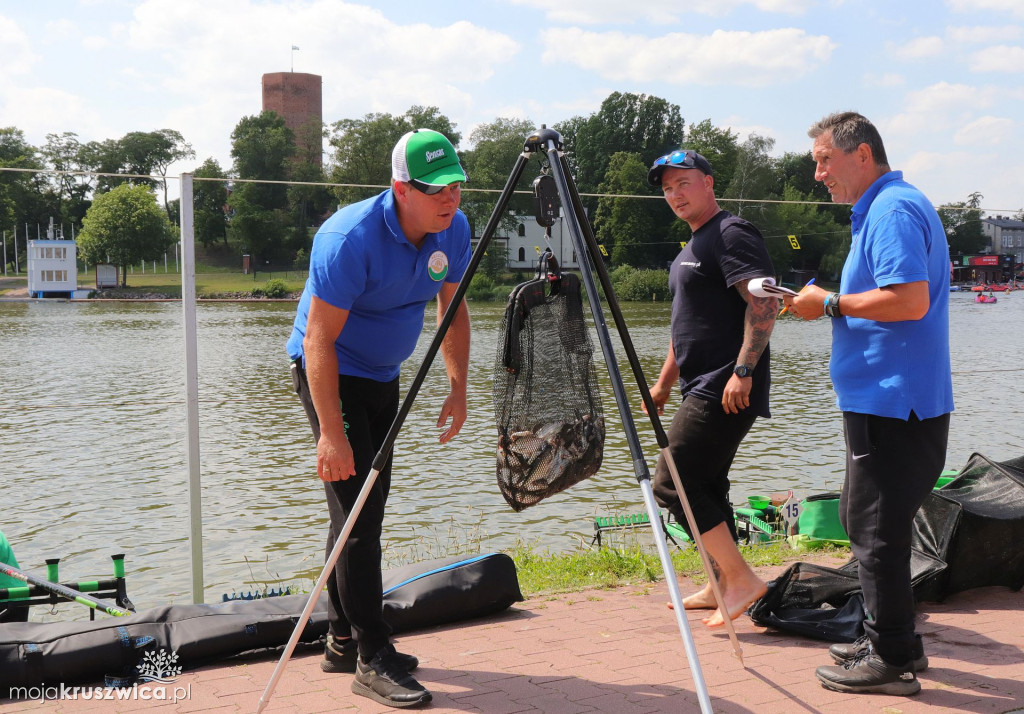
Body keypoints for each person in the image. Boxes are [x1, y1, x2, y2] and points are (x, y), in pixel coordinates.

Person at [286, 128, 472, 709]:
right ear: (401, 188)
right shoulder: (348, 238)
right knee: (359, 515)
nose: (451, 199)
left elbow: (453, 306)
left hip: (383, 378)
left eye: (457, 186)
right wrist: (330, 433)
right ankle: (371, 654)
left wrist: (459, 386)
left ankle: (342, 638)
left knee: (357, 511)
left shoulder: (454, 230)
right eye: (437, 188)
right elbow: (318, 340)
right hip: (331, 374)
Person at [785, 111, 954, 696]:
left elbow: (908, 301)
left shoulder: (892, 210)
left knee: (876, 532)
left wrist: (828, 304)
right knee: (870, 523)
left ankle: (891, 662)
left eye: (824, 160)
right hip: (887, 400)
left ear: (863, 155)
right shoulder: (886, 207)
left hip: (894, 403)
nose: (818, 174)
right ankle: (894, 640)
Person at [645, 149, 777, 628]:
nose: (675, 194)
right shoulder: (692, 247)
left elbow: (763, 304)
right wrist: (662, 385)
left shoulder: (730, 233)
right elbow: (687, 330)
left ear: (708, 183)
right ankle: (719, 580)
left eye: (684, 182)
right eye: (667, 188)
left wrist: (743, 370)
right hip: (698, 385)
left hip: (727, 386)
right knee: (706, 484)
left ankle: (741, 578)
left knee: (671, 480)